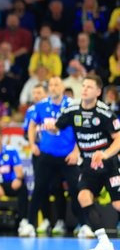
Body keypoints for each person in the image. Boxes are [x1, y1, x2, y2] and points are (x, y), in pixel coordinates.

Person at [45, 74, 120, 250]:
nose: (84, 89)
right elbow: (58, 126)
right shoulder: (72, 109)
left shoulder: (105, 112)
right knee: (83, 197)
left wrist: (105, 153)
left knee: (118, 204)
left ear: (98, 92)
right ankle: (104, 242)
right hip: (88, 165)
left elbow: (118, 139)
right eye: (83, 86)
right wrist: (51, 126)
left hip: (109, 164)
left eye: (89, 87)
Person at [25, 76, 85, 237]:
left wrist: (76, 152)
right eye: (50, 85)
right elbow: (32, 125)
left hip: (68, 156)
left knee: (75, 189)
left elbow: (81, 130)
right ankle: (30, 224)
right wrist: (32, 144)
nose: (53, 87)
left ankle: (84, 224)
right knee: (39, 189)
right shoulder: (41, 106)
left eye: (56, 84)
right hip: (47, 155)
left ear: (62, 87)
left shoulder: (72, 105)